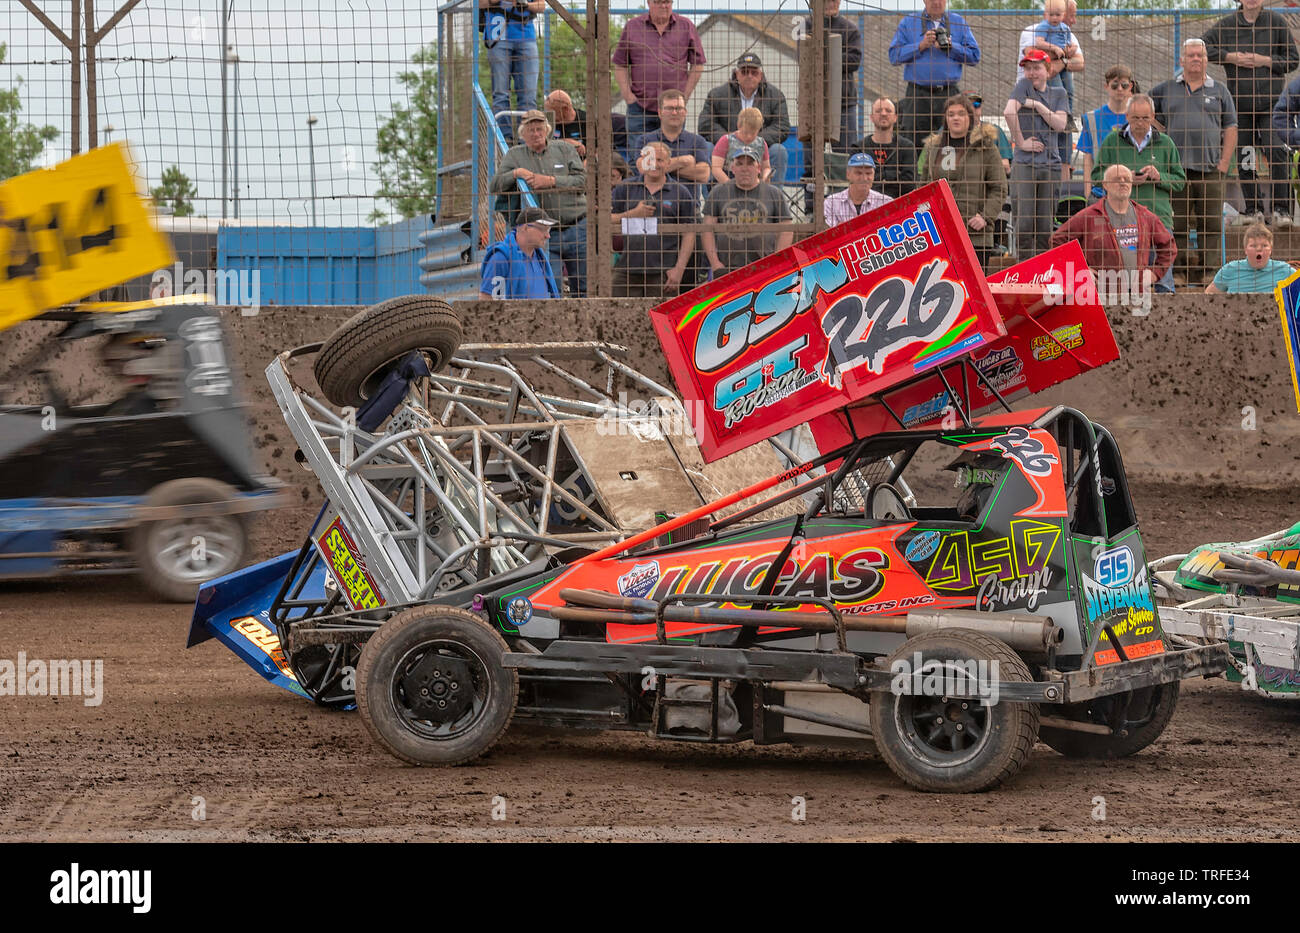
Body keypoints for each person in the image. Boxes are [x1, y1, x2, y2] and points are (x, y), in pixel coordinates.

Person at [1151, 38, 1238, 286]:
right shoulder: (1166, 89)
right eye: (1191, 55)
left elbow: (1231, 126)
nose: (1196, 59)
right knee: (1176, 223)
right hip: (1175, 171)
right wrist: (1159, 129)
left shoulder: (1220, 90)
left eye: (1200, 55)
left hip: (1211, 169)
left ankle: (1210, 273)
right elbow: (1143, 110)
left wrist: (1224, 162)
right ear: (1182, 60)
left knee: (1210, 223)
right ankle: (1179, 272)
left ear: (1207, 60)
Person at [1203, 0, 1299, 226]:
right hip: (1241, 105)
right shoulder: (1227, 24)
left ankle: (1281, 210)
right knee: (1246, 155)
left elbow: (1292, 60)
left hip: (1272, 106)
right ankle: (1252, 209)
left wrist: (1264, 60)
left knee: (1277, 151)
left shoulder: (1277, 22)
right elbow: (1202, 46)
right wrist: (1231, 57)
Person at [1092, 94, 1185, 293]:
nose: (1140, 123)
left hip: (1159, 218)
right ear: (1126, 116)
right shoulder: (1112, 142)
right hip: (1121, 219)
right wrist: (1123, 177)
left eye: (1145, 118)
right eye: (1135, 118)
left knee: (1164, 279)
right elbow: (1096, 175)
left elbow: (1180, 181)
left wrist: (1159, 177)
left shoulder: (1166, 143)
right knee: (1124, 279)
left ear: (1153, 116)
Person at [491, 110, 588, 295]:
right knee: (553, 287)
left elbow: (582, 181)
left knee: (585, 287)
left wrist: (551, 181)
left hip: (578, 227)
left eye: (539, 129)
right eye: (531, 130)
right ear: (523, 134)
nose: (536, 133)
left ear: (547, 130)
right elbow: (495, 185)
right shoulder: (514, 155)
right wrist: (516, 173)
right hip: (543, 234)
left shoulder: (564, 149)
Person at [1049, 164, 1176, 296]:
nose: (1123, 183)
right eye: (1117, 179)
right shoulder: (1089, 216)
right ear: (1105, 185)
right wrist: (1079, 269)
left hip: (1138, 295)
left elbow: (1169, 246)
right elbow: (1057, 241)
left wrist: (1155, 273)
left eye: (1126, 179)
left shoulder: (1145, 216)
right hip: (1100, 295)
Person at [919, 94, 1007, 269]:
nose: (956, 118)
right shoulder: (934, 148)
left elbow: (999, 188)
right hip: (940, 233)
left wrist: (985, 217)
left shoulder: (985, 147)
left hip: (975, 234)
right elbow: (924, 186)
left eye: (961, 114)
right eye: (951, 114)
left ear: (970, 117)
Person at [613, 0, 706, 160]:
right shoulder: (632, 27)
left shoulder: (686, 26)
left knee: (673, 158)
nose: (664, 6)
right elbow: (619, 65)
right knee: (640, 160)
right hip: (640, 107)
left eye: (667, 2)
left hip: (673, 109)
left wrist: (684, 96)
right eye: (658, 2)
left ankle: (671, 186)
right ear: (649, 2)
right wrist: (629, 97)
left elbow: (698, 64)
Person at [611, 142, 698, 298]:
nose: (654, 164)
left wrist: (678, 270)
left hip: (663, 273)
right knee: (617, 318)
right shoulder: (625, 188)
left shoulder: (680, 192)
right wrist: (633, 213)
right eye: (650, 159)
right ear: (642, 161)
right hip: (626, 270)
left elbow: (689, 233)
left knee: (661, 321)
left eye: (660, 160)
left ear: (668, 163)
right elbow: (606, 220)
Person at [1005, 48, 1069, 259]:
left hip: (1050, 165)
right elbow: (1008, 112)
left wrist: (1037, 105)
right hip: (1025, 164)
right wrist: (1021, 142)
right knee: (1023, 222)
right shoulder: (1022, 87)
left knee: (1044, 223)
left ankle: (1043, 268)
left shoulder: (1058, 93)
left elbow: (1060, 124)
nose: (1032, 73)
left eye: (1037, 68)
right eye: (1028, 68)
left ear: (1048, 70)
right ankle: (1023, 266)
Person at [889, 0, 981, 144]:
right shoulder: (908, 22)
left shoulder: (958, 22)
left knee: (951, 143)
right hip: (917, 96)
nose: (937, 2)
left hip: (949, 94)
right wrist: (920, 46)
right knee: (912, 143)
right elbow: (893, 56)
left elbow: (975, 57)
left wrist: (952, 47)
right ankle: (913, 167)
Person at [697, 53, 791, 186]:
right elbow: (705, 125)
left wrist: (753, 139)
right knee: (707, 147)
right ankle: (713, 201)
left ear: (761, 75)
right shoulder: (717, 94)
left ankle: (771, 198)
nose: (749, 76)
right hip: (727, 148)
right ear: (736, 74)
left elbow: (782, 127)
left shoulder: (775, 95)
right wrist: (731, 140)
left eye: (754, 72)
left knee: (779, 151)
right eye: (744, 72)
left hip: (760, 148)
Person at [702, 143, 793, 276]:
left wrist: (777, 261)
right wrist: (715, 264)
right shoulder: (718, 192)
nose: (745, 168)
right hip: (726, 269)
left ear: (759, 168)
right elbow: (707, 229)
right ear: (732, 168)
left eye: (750, 163)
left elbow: (786, 228)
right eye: (739, 164)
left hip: (764, 268)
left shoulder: (774, 193)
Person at [1021, 0, 1083, 182]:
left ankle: (1064, 186)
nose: (1073, 21)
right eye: (1070, 15)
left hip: (1059, 90)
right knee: (1041, 141)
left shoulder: (1066, 31)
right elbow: (1032, 54)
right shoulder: (1033, 30)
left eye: (1069, 15)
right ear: (1046, 14)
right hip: (1036, 99)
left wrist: (1061, 61)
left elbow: (1080, 62)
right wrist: (1059, 56)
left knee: (1064, 133)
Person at [634, 89, 713, 203]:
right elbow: (643, 169)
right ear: (660, 112)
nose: (674, 113)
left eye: (679, 108)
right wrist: (684, 161)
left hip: (688, 208)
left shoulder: (697, 141)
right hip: (653, 206)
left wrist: (658, 168)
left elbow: (704, 175)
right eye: (669, 108)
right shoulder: (645, 140)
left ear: (685, 112)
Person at [805, 0, 864, 152]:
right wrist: (836, 56)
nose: (832, 3)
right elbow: (804, 57)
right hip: (814, 100)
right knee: (812, 155)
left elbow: (854, 61)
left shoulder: (850, 29)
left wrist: (823, 55)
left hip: (844, 102)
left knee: (846, 154)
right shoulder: (807, 25)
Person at [483, 1, 544, 129]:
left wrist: (525, 5)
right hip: (498, 36)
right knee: (501, 93)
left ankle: (527, 139)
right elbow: (480, 3)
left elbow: (542, 5)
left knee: (528, 95)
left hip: (526, 37)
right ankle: (504, 139)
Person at [1078, 66, 1136, 199]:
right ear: (1106, 86)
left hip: (1131, 193)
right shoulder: (1091, 118)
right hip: (1101, 192)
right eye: (1115, 85)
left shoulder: (1138, 117)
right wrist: (1088, 194)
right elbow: (1088, 158)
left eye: (1124, 85)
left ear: (1130, 86)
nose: (1120, 89)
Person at [479, 206, 560, 299]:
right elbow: (486, 298)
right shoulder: (500, 258)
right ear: (525, 228)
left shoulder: (540, 258)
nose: (548, 235)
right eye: (543, 229)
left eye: (548, 230)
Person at [853, 97, 919, 199]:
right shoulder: (858, 148)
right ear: (871, 117)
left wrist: (876, 177)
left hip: (899, 205)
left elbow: (909, 185)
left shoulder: (907, 147)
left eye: (888, 111)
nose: (883, 114)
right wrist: (894, 175)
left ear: (895, 117)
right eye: (879, 111)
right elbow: (856, 183)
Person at [824, 153, 893, 227]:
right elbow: (831, 235)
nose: (864, 178)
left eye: (868, 173)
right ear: (848, 174)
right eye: (859, 173)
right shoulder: (831, 202)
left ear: (873, 175)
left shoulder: (886, 202)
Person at [711, 108, 774, 185]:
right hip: (728, 180)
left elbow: (766, 167)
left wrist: (764, 179)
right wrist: (730, 186)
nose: (749, 136)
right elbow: (716, 168)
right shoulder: (726, 140)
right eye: (745, 132)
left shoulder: (761, 143)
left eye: (753, 133)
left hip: (753, 181)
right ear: (738, 126)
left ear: (759, 130)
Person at [967, 93, 1012, 175]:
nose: (973, 109)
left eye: (976, 105)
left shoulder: (994, 130)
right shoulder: (948, 131)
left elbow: (1006, 166)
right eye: (968, 105)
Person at [544, 89, 587, 158]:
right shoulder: (548, 121)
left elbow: (596, 151)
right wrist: (567, 143)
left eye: (553, 112)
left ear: (566, 109)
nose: (550, 115)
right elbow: (542, 144)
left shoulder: (586, 121)